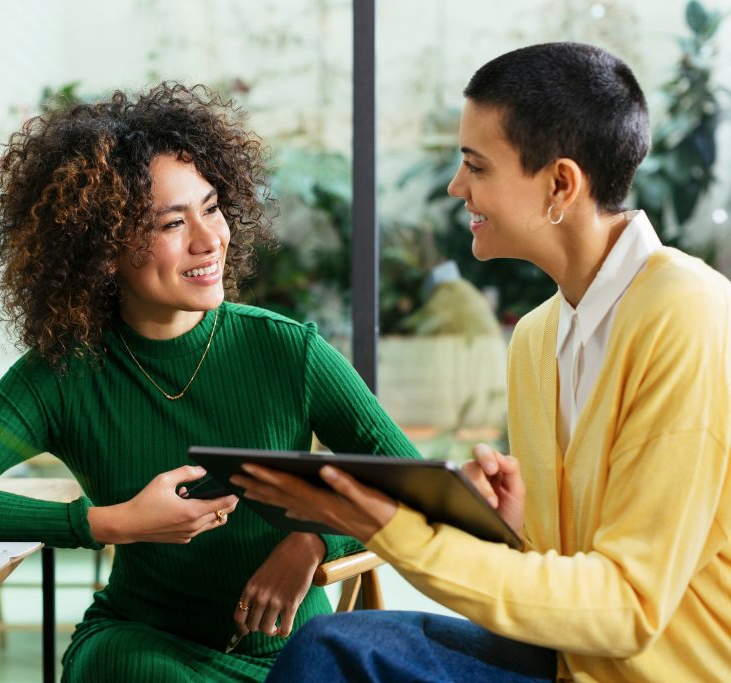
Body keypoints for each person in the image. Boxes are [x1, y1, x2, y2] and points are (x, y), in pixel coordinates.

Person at [233, 42, 731, 682]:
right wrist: (507, 532)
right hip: (566, 660)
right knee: (332, 647)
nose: (455, 186)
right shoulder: (537, 337)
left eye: (476, 165)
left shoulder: (690, 316)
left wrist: (388, 526)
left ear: (560, 184)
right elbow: (564, 583)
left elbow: (628, 608)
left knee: (333, 655)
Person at [0, 83, 421, 682]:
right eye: (172, 222)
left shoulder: (287, 350)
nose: (209, 240)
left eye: (211, 208)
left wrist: (314, 538)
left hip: (290, 655)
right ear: (102, 248)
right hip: (143, 646)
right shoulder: (65, 371)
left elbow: (415, 485)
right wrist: (108, 523)